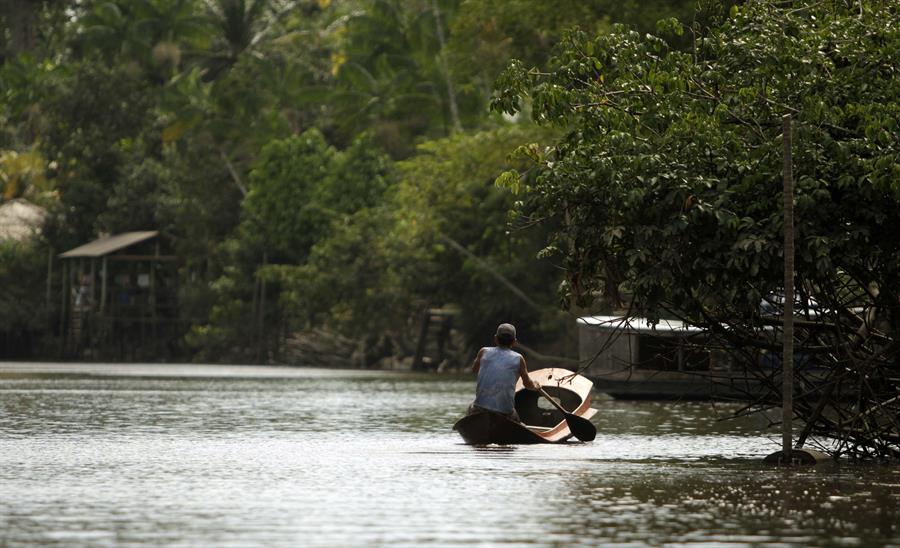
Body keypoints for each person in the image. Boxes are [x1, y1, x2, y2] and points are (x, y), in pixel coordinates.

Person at [468, 323, 541, 422]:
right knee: (517, 418)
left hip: (479, 409)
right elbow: (527, 384)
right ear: (514, 342)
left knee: (470, 407)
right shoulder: (518, 358)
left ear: (495, 338)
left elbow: (474, 370)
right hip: (505, 413)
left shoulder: (483, 352)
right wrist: (536, 386)